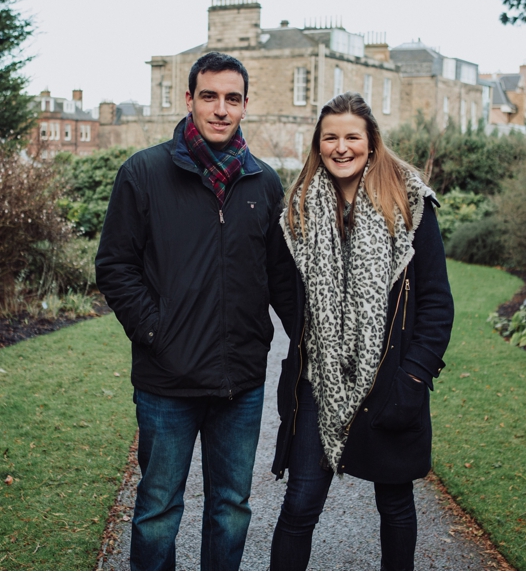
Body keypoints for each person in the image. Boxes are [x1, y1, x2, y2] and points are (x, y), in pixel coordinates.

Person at [96, 54, 295, 571]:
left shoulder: (264, 184)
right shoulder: (143, 173)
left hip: (241, 381)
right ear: (189, 100)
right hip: (167, 381)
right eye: (209, 96)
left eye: (232, 99)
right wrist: (155, 328)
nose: (221, 109)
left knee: (231, 509)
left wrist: (313, 341)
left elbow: (279, 279)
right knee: (158, 511)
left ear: (246, 105)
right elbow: (115, 266)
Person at [268, 93, 453, 572]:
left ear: (371, 142)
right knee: (300, 505)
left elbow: (436, 302)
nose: (341, 146)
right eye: (330, 137)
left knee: (394, 505)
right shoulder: (300, 209)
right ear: (318, 143)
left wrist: (413, 378)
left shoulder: (409, 203)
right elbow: (285, 293)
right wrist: (323, 338)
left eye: (352, 136)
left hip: (391, 379)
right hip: (320, 380)